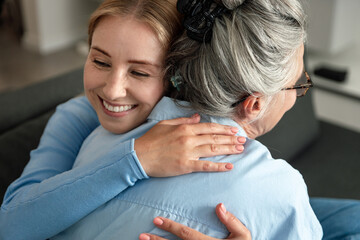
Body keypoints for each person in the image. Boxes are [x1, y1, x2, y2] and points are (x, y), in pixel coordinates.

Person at [49, 0, 324, 239]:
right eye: (296, 84)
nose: (298, 92)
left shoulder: (103, 134)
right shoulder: (280, 192)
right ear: (254, 104)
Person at [0, 1, 248, 239]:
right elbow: (11, 226)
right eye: (100, 61)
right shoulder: (75, 115)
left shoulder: (206, 130)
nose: (112, 90)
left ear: (176, 78)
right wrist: (135, 159)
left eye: (139, 72)